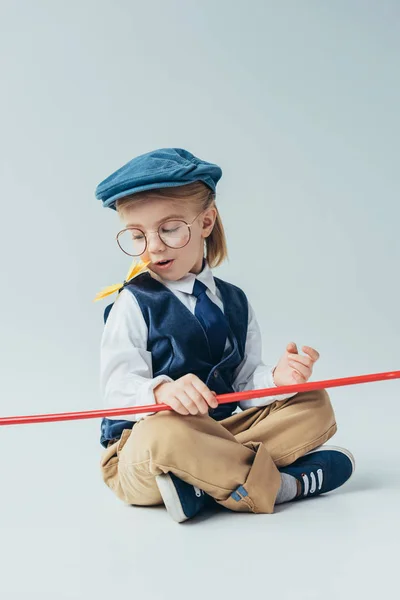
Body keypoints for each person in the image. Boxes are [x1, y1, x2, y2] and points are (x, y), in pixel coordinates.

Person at [95, 148, 354, 523]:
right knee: (166, 435)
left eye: (168, 229)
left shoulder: (235, 301)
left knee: (312, 402)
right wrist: (162, 392)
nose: (153, 246)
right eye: (137, 236)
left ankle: (201, 485)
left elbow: (245, 383)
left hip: (217, 433)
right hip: (145, 453)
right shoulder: (132, 304)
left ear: (206, 222)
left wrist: (277, 381)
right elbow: (117, 391)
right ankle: (284, 486)